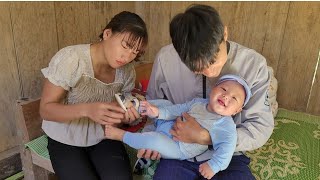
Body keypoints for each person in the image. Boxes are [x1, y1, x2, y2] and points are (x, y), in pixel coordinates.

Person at [138, 4, 274, 180]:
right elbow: (153, 107)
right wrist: (151, 137)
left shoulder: (254, 65)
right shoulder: (166, 59)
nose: (209, 72)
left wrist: (208, 138)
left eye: (213, 61)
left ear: (224, 34)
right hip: (179, 150)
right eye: (197, 69)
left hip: (229, 156)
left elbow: (260, 127)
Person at [39, 11, 148, 180]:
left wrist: (125, 117)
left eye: (135, 52)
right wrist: (87, 110)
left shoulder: (126, 71)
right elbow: (46, 110)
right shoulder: (72, 59)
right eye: (125, 46)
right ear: (107, 34)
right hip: (64, 138)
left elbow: (117, 112)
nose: (127, 57)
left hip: (103, 136)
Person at [105, 74, 251, 179]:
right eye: (224, 89)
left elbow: (227, 149)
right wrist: (158, 112)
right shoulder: (199, 103)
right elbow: (177, 109)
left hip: (179, 148)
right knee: (166, 105)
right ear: (213, 89)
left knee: (154, 140)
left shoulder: (225, 125)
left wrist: (214, 166)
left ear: (236, 111)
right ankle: (135, 106)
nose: (226, 96)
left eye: (234, 98)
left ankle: (120, 135)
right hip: (170, 125)